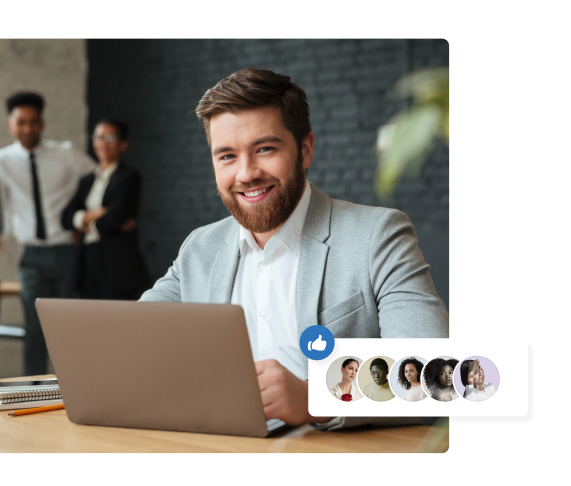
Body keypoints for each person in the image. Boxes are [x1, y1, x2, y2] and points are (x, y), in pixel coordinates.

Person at [140, 68, 449, 429]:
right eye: (226, 156)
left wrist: (314, 399)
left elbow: (436, 372)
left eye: (265, 149)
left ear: (305, 150)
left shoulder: (377, 235)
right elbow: (132, 341)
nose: (246, 174)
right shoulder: (199, 248)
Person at [0, 92, 96, 375]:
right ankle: (32, 393)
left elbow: (98, 180)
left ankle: (76, 391)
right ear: (10, 124)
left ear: (42, 123)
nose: (27, 128)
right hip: (31, 255)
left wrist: (82, 220)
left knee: (69, 329)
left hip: (66, 251)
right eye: (21, 122)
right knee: (34, 332)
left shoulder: (66, 153)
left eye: (33, 122)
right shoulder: (0, 161)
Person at [61, 118, 150, 300]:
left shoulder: (129, 177)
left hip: (118, 265)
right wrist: (94, 215)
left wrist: (84, 225)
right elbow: (64, 218)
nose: (103, 143)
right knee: (89, 322)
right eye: (99, 137)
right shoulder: (86, 181)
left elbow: (114, 218)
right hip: (88, 262)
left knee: (118, 323)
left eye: (110, 137)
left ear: (123, 144)